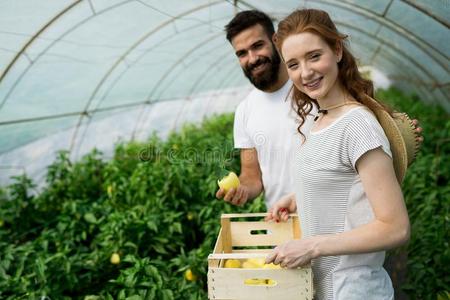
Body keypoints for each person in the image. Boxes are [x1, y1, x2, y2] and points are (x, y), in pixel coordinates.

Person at [264, 8, 411, 299]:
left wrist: (312, 245)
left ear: (337, 50)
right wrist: (298, 198)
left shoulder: (357, 125)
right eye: (292, 64)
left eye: (314, 56)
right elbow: (343, 182)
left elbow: (395, 227)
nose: (305, 72)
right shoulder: (319, 119)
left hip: (353, 290)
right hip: (324, 288)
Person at [216, 10, 422, 210]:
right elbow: (251, 177)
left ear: (275, 41)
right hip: (284, 215)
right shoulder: (245, 110)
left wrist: (398, 135)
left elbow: (363, 131)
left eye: (258, 45)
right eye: (242, 53)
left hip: (340, 214)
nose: (252, 58)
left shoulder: (317, 88)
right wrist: (241, 189)